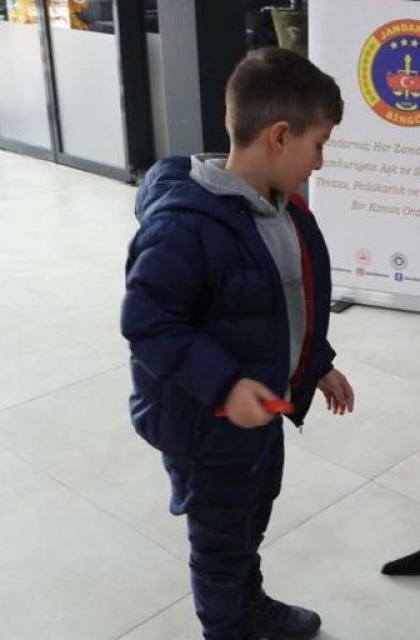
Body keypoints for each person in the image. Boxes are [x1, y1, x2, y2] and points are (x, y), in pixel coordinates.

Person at [121, 47, 355, 639]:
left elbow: (284, 306)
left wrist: (318, 363)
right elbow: (149, 322)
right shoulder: (185, 225)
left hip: (260, 415)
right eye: (319, 144)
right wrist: (224, 383)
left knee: (250, 520)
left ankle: (250, 605)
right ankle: (227, 628)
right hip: (208, 426)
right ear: (279, 136)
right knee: (220, 543)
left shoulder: (284, 212)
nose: (321, 162)